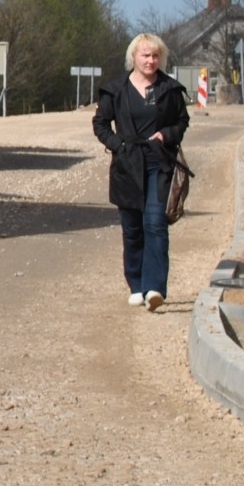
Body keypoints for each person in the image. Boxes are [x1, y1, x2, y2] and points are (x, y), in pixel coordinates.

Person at [93, 32, 190, 312]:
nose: (151, 60)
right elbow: (100, 124)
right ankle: (136, 285)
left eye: (155, 55)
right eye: (145, 55)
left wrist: (167, 135)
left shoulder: (170, 90)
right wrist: (117, 145)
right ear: (133, 58)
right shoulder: (115, 90)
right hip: (127, 166)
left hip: (159, 164)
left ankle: (155, 288)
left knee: (155, 223)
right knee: (133, 229)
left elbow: (182, 123)